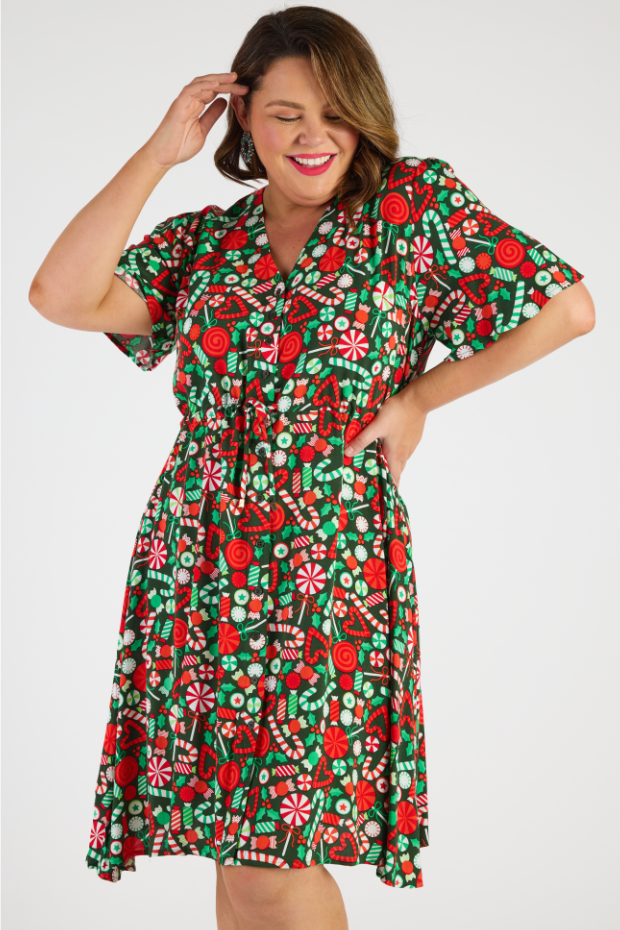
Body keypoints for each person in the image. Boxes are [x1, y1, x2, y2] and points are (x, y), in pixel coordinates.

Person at [29, 5, 594, 929]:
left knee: (271, 857)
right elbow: (61, 294)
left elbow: (564, 309)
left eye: (335, 114)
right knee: (233, 852)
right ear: (242, 118)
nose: (313, 136)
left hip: (325, 560)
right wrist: (159, 154)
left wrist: (419, 399)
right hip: (198, 557)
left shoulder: (412, 210)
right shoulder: (207, 242)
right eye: (286, 114)